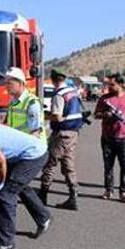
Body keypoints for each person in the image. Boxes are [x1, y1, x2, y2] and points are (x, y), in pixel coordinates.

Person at [0, 123, 52, 249]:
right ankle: (43, 217)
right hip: (27, 153)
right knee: (19, 186)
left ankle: (5, 242)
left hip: (33, 155)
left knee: (5, 194)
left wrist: (0, 180)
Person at [39, 69, 85, 210]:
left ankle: (42, 196)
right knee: (68, 164)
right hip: (73, 133)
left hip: (61, 133)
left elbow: (57, 116)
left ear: (53, 80)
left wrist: (45, 115)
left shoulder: (59, 95)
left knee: (50, 164)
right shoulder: (73, 92)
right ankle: (73, 196)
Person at [94, 73, 125, 203]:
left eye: (112, 84)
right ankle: (109, 190)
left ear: (120, 85)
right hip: (108, 138)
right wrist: (105, 114)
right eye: (108, 84)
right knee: (108, 166)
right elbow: (96, 115)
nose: (109, 87)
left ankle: (124, 192)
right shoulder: (104, 99)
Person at [4, 67, 46, 139]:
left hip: (31, 147)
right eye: (6, 83)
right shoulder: (12, 102)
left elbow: (35, 132)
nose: (6, 86)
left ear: (20, 83)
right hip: (19, 145)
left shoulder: (32, 103)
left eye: (10, 83)